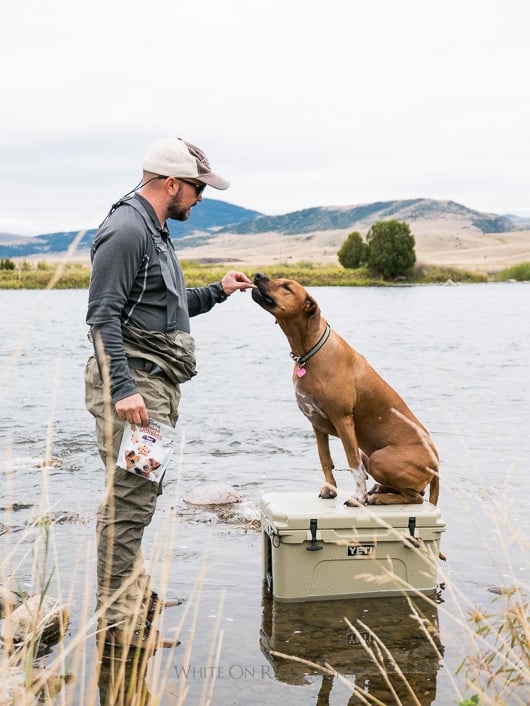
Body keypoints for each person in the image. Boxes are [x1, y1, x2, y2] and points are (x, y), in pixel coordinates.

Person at [84, 137, 254, 654]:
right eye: (198, 188)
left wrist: (219, 291)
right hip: (135, 388)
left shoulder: (152, 230)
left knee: (138, 493)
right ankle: (120, 632)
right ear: (172, 183)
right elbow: (101, 318)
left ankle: (137, 598)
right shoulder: (126, 231)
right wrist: (125, 390)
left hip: (149, 384)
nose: (201, 198)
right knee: (131, 503)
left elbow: (167, 309)